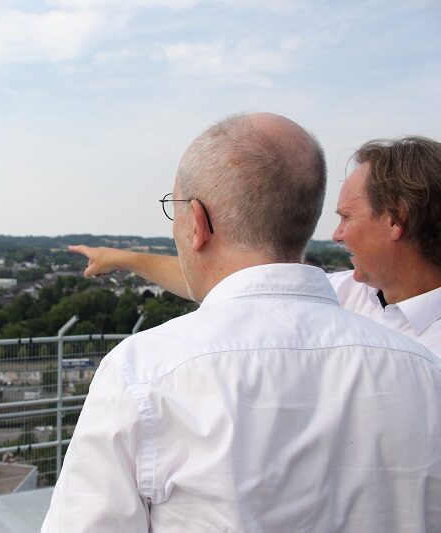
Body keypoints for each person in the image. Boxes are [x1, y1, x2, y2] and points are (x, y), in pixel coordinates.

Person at [42, 113, 441, 532]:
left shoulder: (141, 374)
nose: (339, 234)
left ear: (197, 223)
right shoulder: (422, 368)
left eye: (174, 210)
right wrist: (125, 258)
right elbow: (251, 285)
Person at [69, 136, 441, 353]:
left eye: (347, 217)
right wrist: (123, 258)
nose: (337, 234)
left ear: (396, 219)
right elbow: (232, 284)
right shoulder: (345, 294)